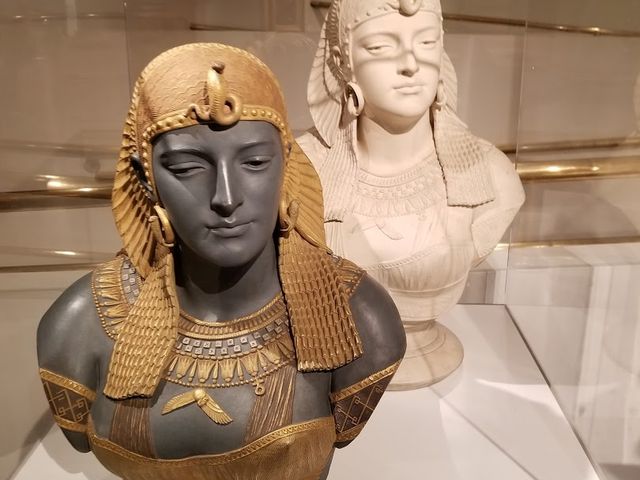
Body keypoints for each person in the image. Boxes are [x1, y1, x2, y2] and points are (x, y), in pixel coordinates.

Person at [37, 42, 405, 480]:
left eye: (255, 162)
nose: (226, 197)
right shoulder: (79, 322)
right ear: (145, 178)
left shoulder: (361, 317)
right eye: (188, 168)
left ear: (286, 163)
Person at [298, 0, 525, 388]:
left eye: (426, 42)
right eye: (380, 47)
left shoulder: (491, 176)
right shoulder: (302, 170)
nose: (410, 64)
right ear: (342, 60)